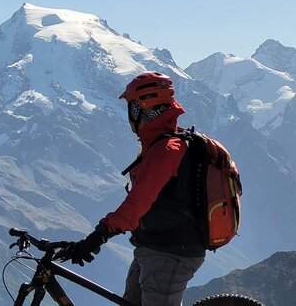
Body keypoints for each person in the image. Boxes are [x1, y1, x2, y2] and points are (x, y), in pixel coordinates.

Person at [67, 72, 206, 306]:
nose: (129, 115)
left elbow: (139, 202)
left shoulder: (167, 149)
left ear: (145, 108)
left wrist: (99, 234)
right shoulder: (159, 143)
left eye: (132, 107)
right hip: (153, 246)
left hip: (172, 252)